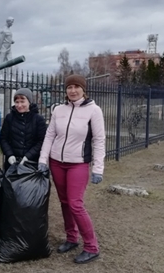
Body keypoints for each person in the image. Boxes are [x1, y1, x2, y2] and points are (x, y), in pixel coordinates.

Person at [38, 74, 105, 264]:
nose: (73, 90)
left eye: (77, 87)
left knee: (76, 204)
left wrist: (98, 168)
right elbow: (50, 135)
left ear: (83, 89)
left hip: (78, 163)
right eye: (69, 87)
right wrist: (43, 159)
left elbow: (99, 140)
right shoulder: (59, 110)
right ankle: (71, 238)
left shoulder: (94, 111)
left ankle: (92, 246)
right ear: (65, 90)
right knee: (65, 202)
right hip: (56, 162)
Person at [0, 88, 47, 172]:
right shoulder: (9, 118)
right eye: (17, 102)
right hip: (12, 163)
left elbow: (41, 141)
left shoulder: (38, 119)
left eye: (22, 101)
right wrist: (9, 154)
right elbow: (3, 138)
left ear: (29, 101)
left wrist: (28, 156)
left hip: (31, 163)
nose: (19, 105)